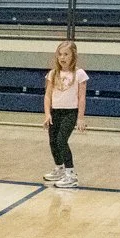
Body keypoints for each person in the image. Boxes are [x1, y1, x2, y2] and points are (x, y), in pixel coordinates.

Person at [42, 40, 87, 189]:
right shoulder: (53, 73)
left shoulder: (79, 74)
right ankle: (59, 168)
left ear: (73, 56)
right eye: (60, 54)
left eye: (66, 54)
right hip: (56, 112)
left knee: (62, 140)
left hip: (70, 112)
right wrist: (47, 114)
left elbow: (82, 97)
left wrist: (80, 118)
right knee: (53, 141)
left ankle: (71, 174)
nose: (62, 57)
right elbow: (47, 96)